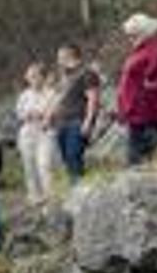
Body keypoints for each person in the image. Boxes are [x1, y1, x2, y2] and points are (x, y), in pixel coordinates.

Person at [118, 13, 157, 166]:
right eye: (129, 35)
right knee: (140, 157)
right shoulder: (143, 49)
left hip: (147, 114)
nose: (130, 38)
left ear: (143, 32)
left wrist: (150, 79)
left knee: (138, 158)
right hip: (138, 113)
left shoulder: (154, 48)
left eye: (133, 34)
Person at [52, 44, 102, 183]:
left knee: (74, 156)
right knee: (67, 160)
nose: (58, 60)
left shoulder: (87, 73)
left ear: (71, 55)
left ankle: (80, 191)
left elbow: (93, 99)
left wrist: (88, 121)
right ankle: (74, 188)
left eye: (60, 57)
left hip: (77, 121)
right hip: (61, 123)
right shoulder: (65, 76)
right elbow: (60, 99)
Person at [16, 62, 58, 204]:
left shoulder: (51, 93)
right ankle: (35, 196)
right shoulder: (24, 95)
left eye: (35, 76)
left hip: (45, 132)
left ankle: (50, 195)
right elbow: (19, 114)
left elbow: (54, 111)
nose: (32, 79)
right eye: (30, 76)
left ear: (42, 77)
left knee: (44, 164)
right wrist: (28, 114)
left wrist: (44, 115)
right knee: (29, 166)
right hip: (28, 132)